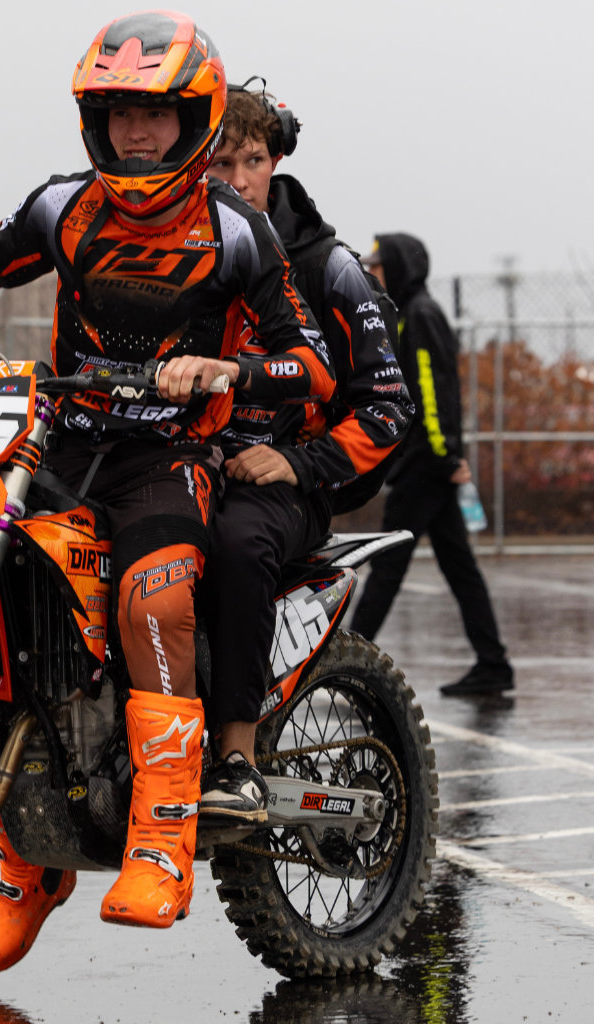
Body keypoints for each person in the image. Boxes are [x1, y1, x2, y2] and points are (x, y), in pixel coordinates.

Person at [0, 11, 334, 969]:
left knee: (157, 591)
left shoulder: (240, 230)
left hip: (169, 459)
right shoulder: (64, 208)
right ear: (91, 121)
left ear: (192, 119)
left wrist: (228, 375)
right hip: (62, 440)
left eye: (153, 115)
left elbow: (308, 366)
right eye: (115, 114)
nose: (134, 134)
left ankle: (162, 837)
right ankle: (27, 861)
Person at [195, 81, 414, 819]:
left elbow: (387, 406)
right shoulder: (182, 260)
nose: (235, 179)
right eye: (217, 164)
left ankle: (235, 756)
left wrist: (298, 464)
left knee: (237, 539)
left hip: (287, 489)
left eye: (249, 160)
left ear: (276, 159)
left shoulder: (330, 268)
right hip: (184, 467)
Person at [348, 233, 514, 696]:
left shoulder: (419, 316)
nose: (373, 272)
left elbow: (432, 395)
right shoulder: (411, 313)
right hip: (429, 465)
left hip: (426, 467)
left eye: (380, 266)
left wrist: (445, 456)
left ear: (400, 267)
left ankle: (345, 663)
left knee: (385, 569)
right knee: (459, 568)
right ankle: (493, 664)